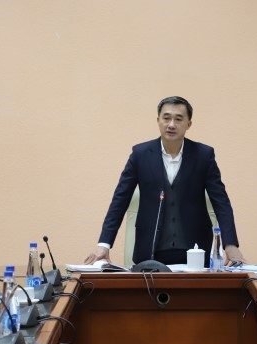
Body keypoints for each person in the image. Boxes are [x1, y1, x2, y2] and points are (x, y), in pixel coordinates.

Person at [85, 96, 245, 267]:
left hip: (196, 253)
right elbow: (120, 200)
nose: (171, 125)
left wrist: (230, 245)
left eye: (178, 119)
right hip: (150, 253)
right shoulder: (140, 154)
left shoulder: (203, 155)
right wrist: (104, 244)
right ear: (158, 121)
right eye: (166, 118)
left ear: (189, 124)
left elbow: (221, 202)